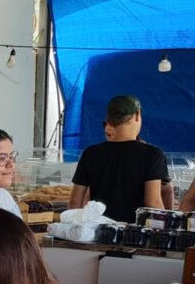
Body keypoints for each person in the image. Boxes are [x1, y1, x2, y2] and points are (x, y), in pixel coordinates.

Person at [69, 94, 171, 222]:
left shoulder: (91, 153)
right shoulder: (153, 154)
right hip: (133, 235)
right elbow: (153, 202)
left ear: (109, 120)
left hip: (96, 231)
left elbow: (75, 201)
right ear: (137, 115)